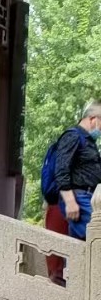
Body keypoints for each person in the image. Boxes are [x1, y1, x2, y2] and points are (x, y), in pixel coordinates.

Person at [43, 102, 101, 242]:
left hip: (91, 197)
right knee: (97, 236)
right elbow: (61, 170)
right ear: (93, 119)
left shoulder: (89, 141)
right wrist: (70, 202)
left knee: (82, 244)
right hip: (78, 197)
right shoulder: (72, 136)